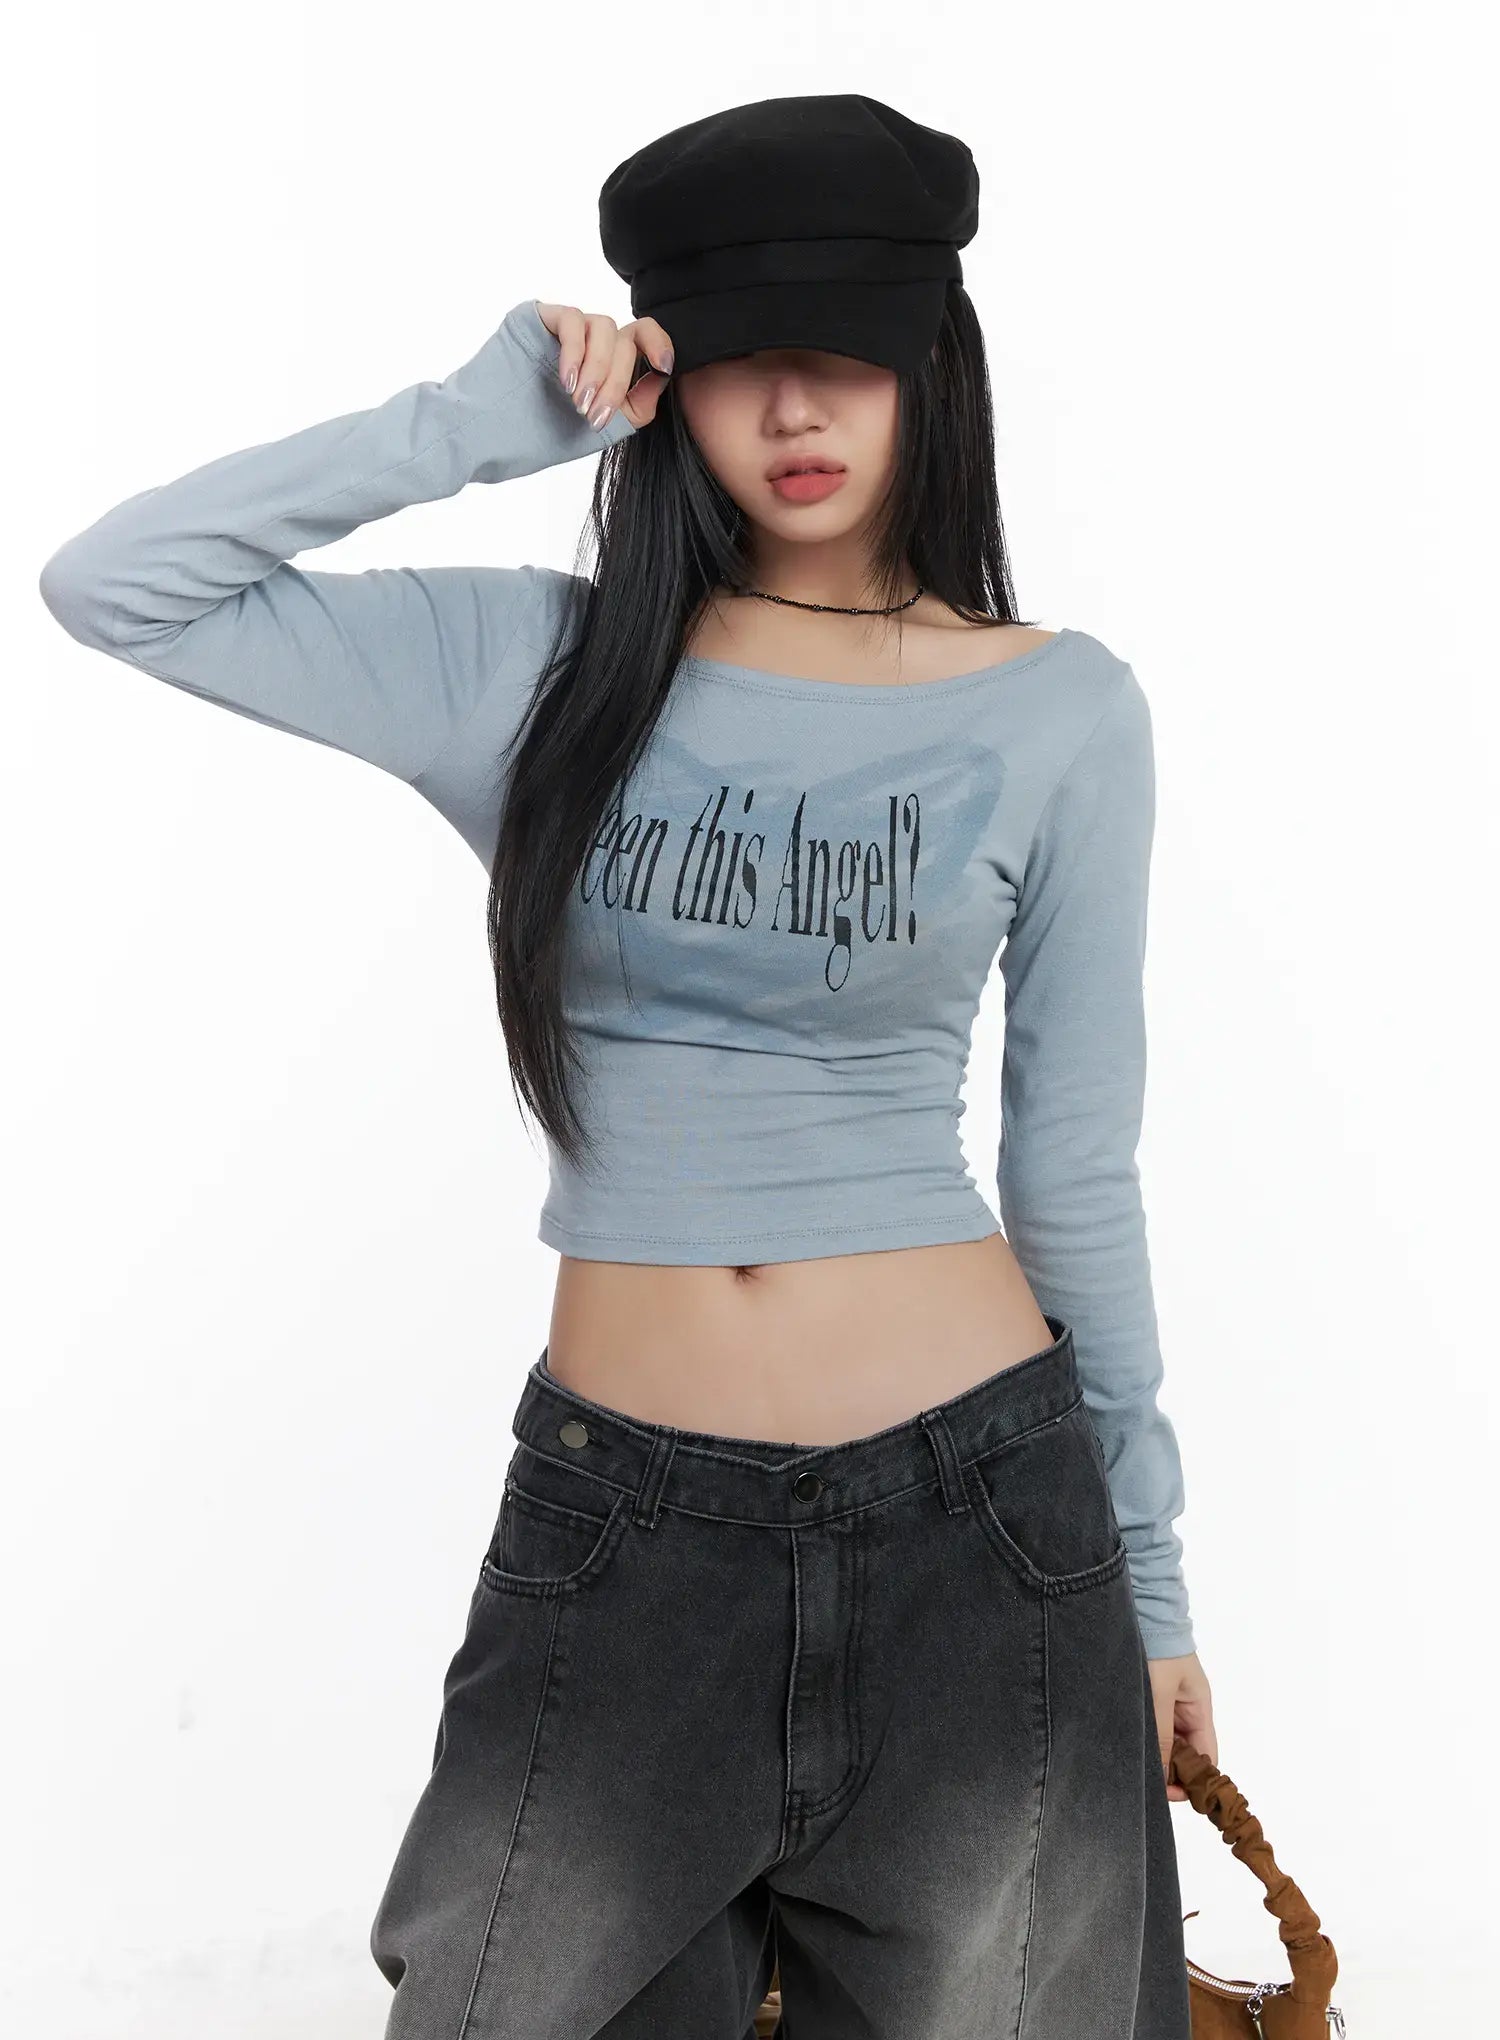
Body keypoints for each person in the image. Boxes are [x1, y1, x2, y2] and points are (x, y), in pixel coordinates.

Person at [38, 92, 1217, 2040]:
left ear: (933, 360)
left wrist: (1153, 1587)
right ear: (668, 378)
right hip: (627, 1528)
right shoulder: (543, 671)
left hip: (983, 1518)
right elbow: (119, 584)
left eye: (845, 353)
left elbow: (1075, 1167)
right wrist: (476, 418)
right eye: (738, 359)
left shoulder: (1064, 712)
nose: (794, 407)